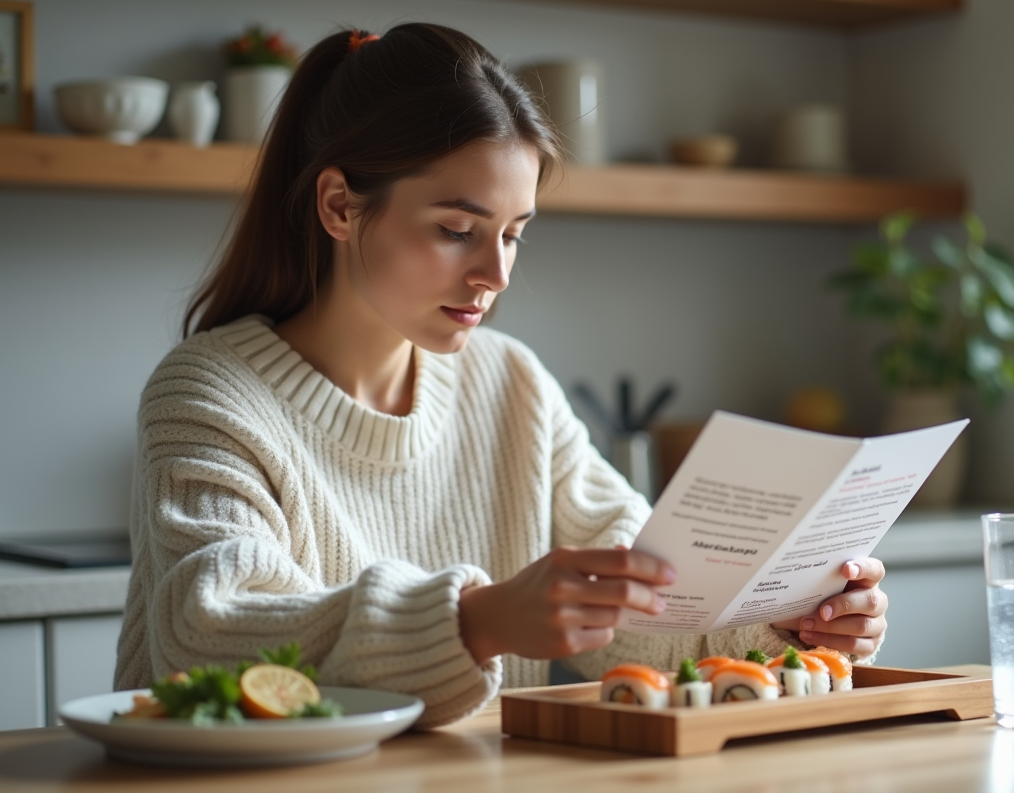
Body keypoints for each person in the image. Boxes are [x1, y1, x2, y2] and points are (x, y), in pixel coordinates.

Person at [115, 22, 888, 728]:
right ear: (339, 205)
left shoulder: (509, 382)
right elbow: (209, 633)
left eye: (514, 235)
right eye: (457, 230)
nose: (495, 273)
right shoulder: (208, 391)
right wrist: (476, 621)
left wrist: (792, 623)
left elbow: (640, 597)